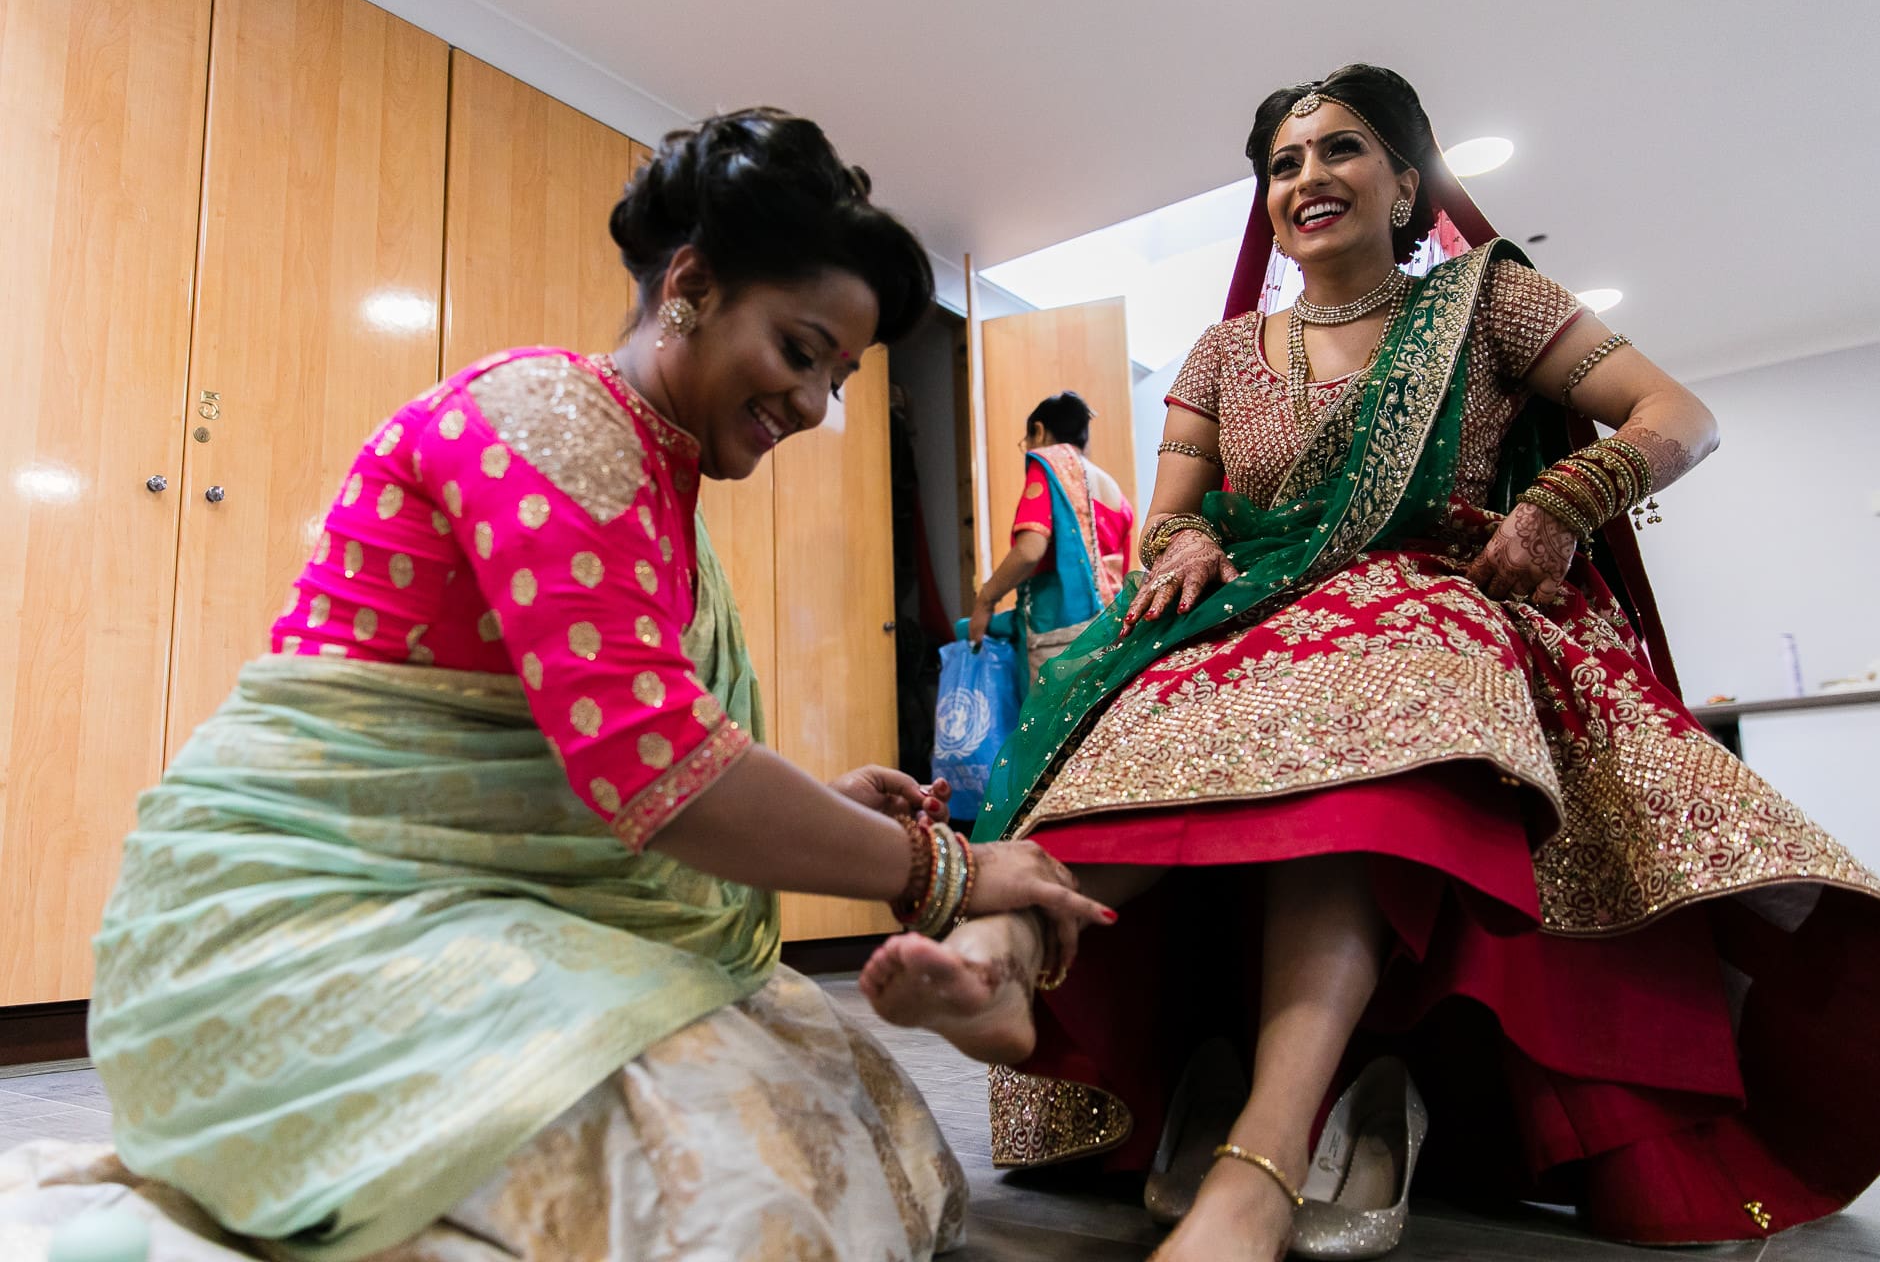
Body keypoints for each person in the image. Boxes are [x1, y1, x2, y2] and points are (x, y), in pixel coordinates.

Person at [863, 65, 1880, 1261]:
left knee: (1361, 752)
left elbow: (1676, 413)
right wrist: (1189, 536)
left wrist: (1564, 503)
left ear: (1408, 182)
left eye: (1343, 150)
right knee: (1134, 722)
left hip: (1431, 605)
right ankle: (999, 953)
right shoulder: (1220, 353)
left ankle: (1258, 1160)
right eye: (1283, 162)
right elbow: (1165, 518)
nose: (1308, 177)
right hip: (1254, 613)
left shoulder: (1492, 303)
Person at [57, 108, 1111, 1262]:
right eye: (802, 352)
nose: (816, 406)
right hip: (297, 923)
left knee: (840, 1111)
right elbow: (658, 769)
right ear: (694, 286)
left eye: (840, 376)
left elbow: (604, 745)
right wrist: (948, 869)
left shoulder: (651, 472)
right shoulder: (547, 422)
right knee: (733, 1182)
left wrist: (823, 799)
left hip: (476, 900)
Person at [967, 392, 1135, 689]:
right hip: (1109, 632)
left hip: (1056, 637)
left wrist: (985, 600)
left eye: (1028, 440)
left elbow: (1031, 549)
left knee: (1051, 730)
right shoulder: (1114, 493)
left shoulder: (1048, 465)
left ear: (1040, 431)